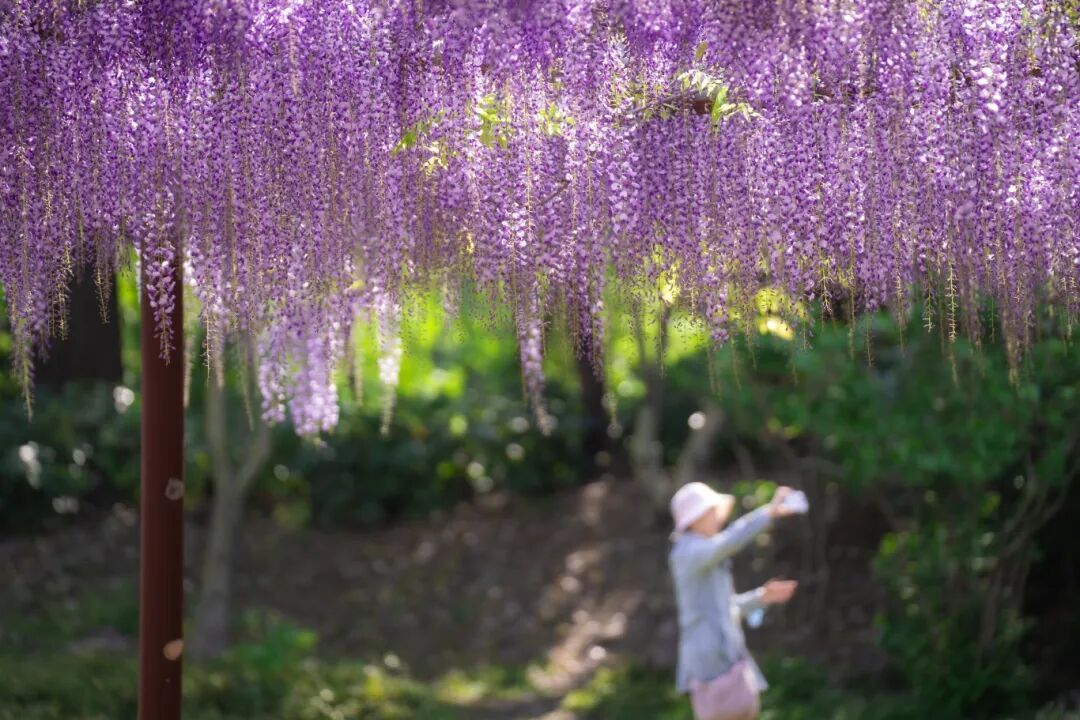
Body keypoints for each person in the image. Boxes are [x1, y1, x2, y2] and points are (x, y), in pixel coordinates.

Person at [669, 481, 800, 719]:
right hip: (710, 659)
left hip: (725, 654)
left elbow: (726, 609)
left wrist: (761, 597)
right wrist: (768, 512)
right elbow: (730, 541)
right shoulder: (688, 553)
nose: (716, 517)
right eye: (711, 511)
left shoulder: (703, 554)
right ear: (695, 518)